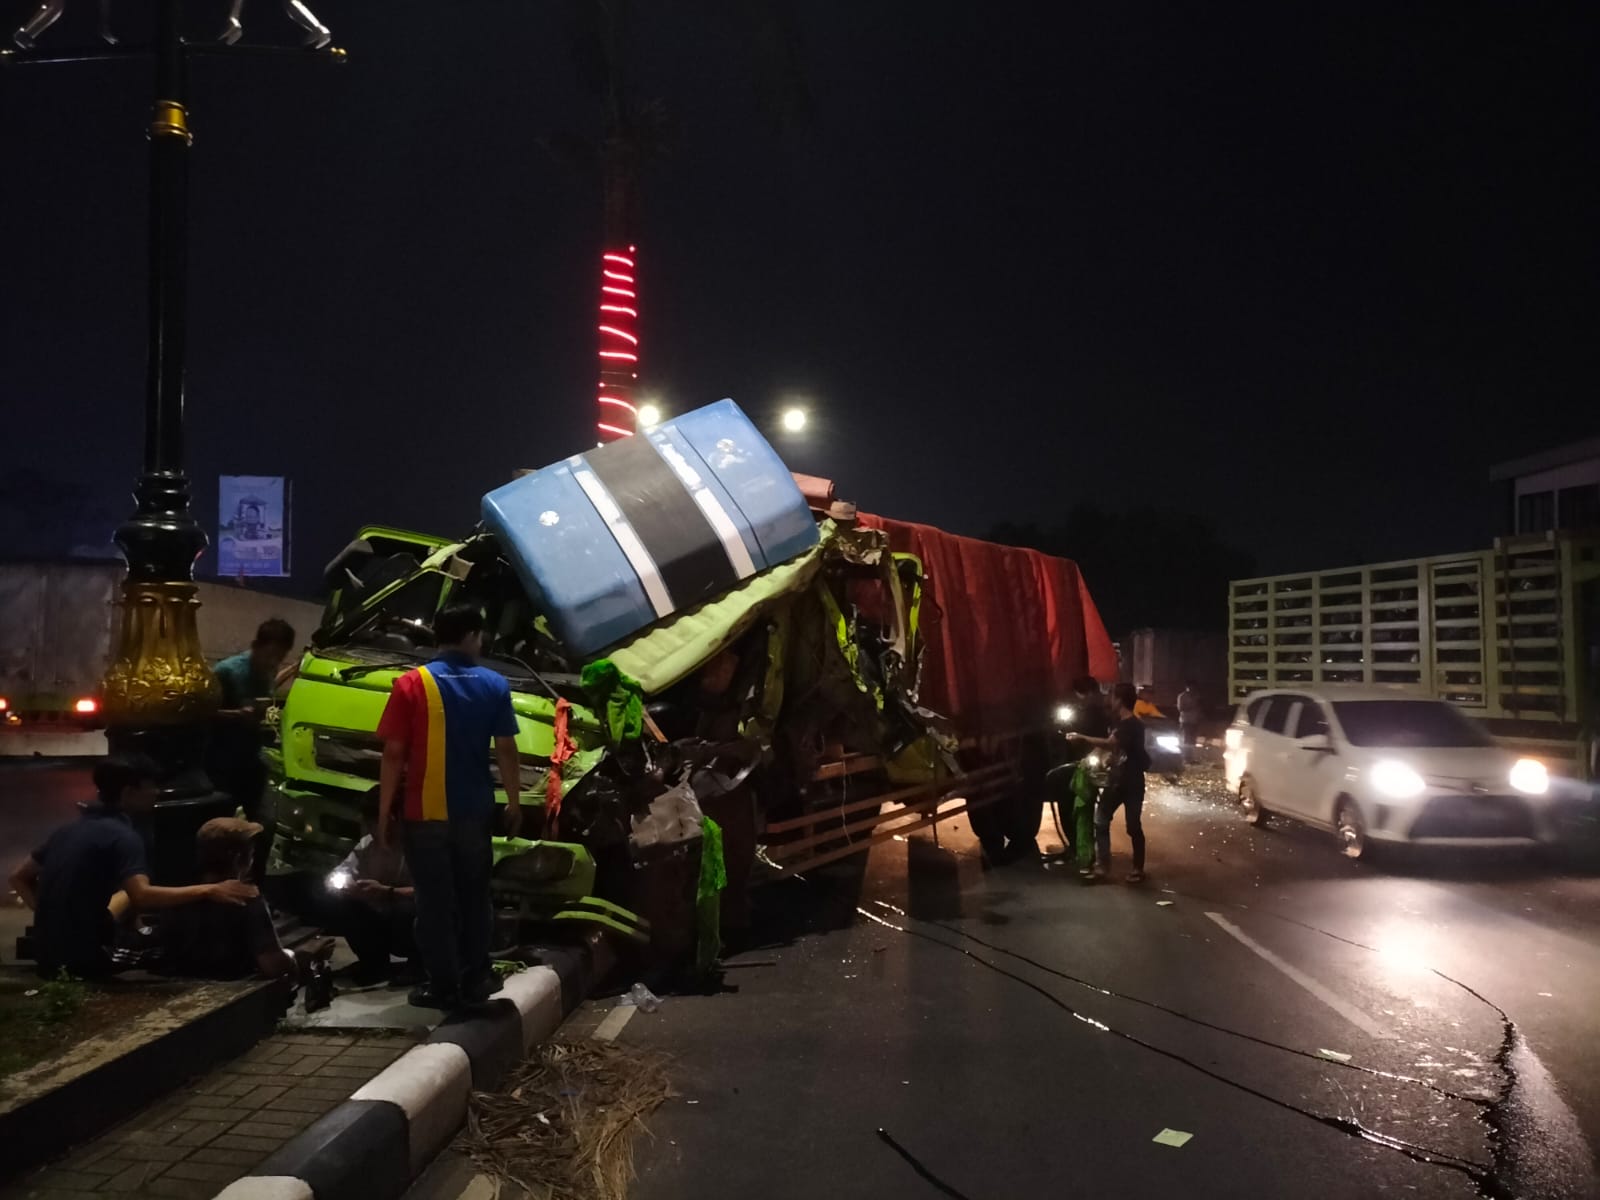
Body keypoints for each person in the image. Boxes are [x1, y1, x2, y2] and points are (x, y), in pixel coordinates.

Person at [377, 604, 522, 1010]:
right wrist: (513, 802)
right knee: (476, 898)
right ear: (473, 636)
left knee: (434, 902)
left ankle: (443, 986)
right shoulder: (495, 684)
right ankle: (477, 977)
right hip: (474, 812)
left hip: (423, 813)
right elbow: (507, 750)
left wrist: (383, 810)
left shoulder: (411, 684)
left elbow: (393, 754)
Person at [8, 755, 257, 979]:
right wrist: (209, 890)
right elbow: (143, 894)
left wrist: (49, 918)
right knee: (179, 944)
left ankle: (128, 931)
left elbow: (19, 877)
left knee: (124, 895)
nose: (156, 792)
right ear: (128, 793)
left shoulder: (68, 829)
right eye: (150, 787)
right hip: (85, 958)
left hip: (46, 953)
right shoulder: (123, 836)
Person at [209, 617, 298, 882]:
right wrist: (237, 715)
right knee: (220, 829)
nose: (273, 662)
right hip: (221, 761)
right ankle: (215, 882)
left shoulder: (267, 672)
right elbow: (201, 713)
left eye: (279, 657)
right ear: (256, 646)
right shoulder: (227, 671)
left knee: (264, 825)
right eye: (271, 655)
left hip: (251, 760)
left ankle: (254, 883)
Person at [159, 817, 296, 981]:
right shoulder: (246, 898)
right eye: (251, 854)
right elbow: (272, 966)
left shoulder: (177, 895)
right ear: (238, 859)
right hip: (235, 991)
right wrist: (291, 957)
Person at [327, 791, 418, 986]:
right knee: (341, 904)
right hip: (380, 915)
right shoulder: (367, 845)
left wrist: (387, 892)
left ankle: (419, 964)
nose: (369, 828)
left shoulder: (418, 845)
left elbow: (433, 892)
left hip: (411, 918)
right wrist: (347, 884)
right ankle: (375, 964)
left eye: (372, 823)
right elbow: (341, 872)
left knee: (407, 909)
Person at [1088, 682, 1150, 883]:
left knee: (1132, 826)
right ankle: (1102, 866)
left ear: (1120, 700)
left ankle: (1137, 868)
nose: (1109, 700)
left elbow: (1110, 743)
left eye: (1112, 697)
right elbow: (1112, 750)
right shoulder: (1119, 723)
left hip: (1131, 783)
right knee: (1101, 819)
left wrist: (1081, 738)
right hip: (1116, 782)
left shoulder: (1132, 725)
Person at [1177, 681, 1203, 762]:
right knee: (1186, 739)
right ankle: (1185, 757)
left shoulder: (1196, 696)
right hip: (1186, 721)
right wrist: (1192, 705)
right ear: (1187, 687)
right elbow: (1181, 708)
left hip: (1194, 721)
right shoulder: (1182, 696)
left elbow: (1199, 708)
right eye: (1190, 687)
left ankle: (1191, 757)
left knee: (1192, 740)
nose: (1192, 689)